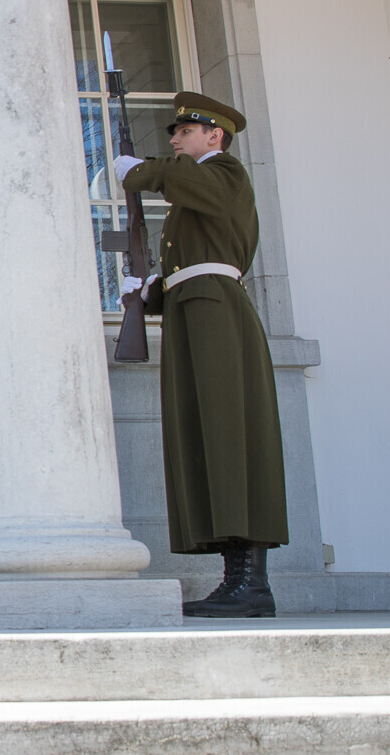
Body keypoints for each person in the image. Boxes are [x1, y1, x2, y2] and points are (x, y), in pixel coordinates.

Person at [116, 91, 286, 619]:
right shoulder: (198, 187)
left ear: (215, 136)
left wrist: (140, 170)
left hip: (216, 315)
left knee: (231, 438)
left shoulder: (224, 174)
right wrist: (152, 292)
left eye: (185, 131)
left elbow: (186, 189)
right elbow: (195, 261)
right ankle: (236, 580)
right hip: (194, 311)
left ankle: (251, 585)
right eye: (174, 133)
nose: (175, 139)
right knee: (206, 440)